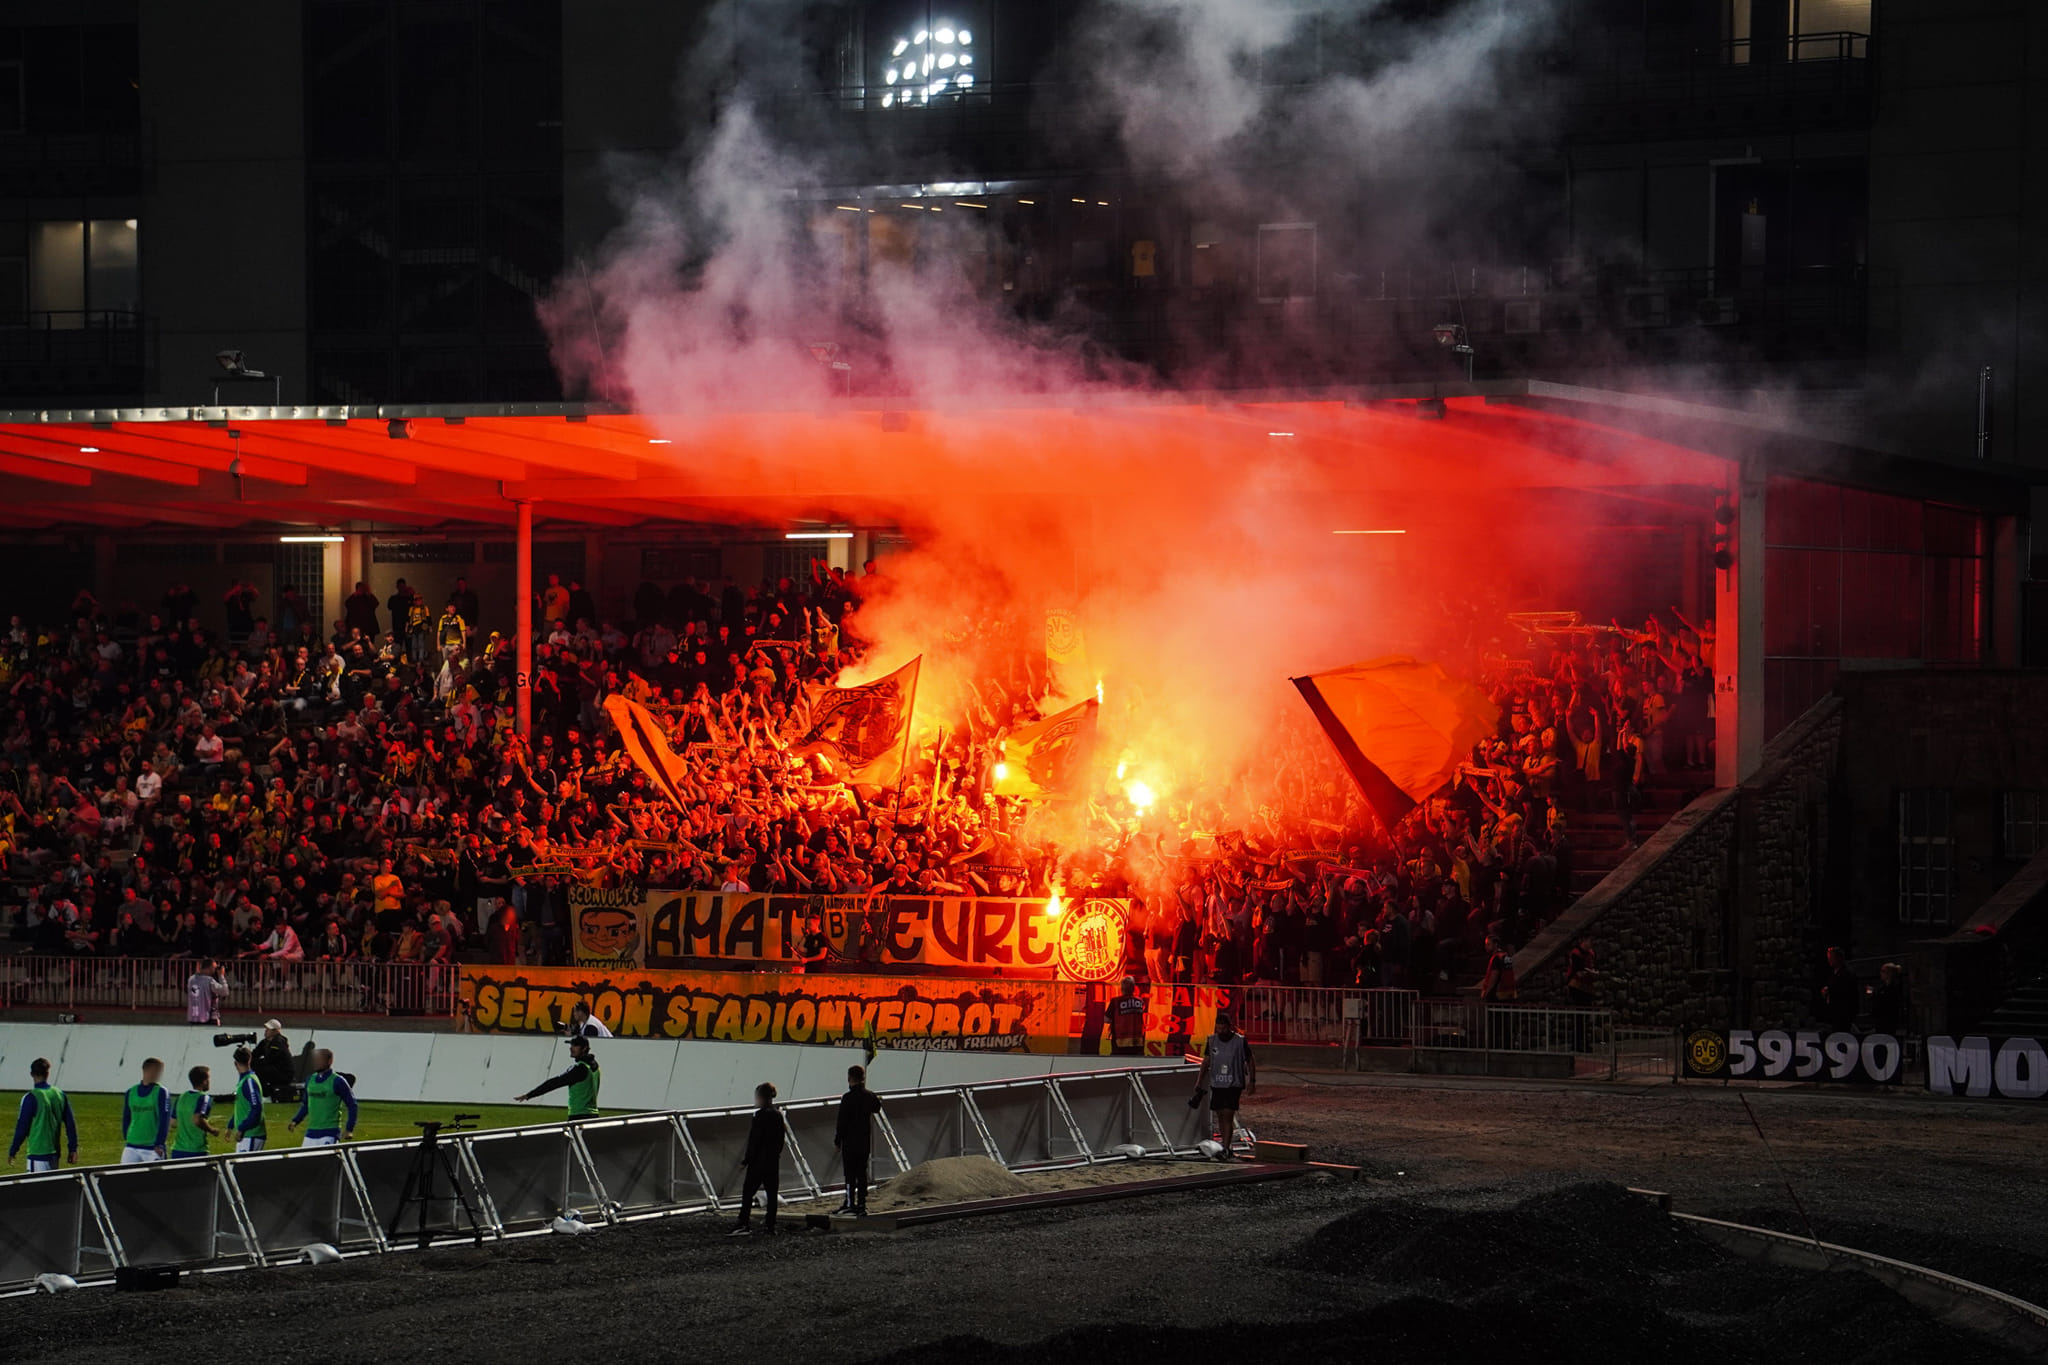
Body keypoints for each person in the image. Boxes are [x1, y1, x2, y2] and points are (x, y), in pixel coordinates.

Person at [1191, 1010, 1255, 1160]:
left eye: (1223, 1028)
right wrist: (1199, 1081)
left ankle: (1226, 1148)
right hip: (1217, 1083)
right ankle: (1227, 1147)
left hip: (1233, 1084)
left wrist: (1252, 1081)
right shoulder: (1212, 1040)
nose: (1221, 1032)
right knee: (1220, 1115)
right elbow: (1206, 1061)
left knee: (1227, 1115)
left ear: (1229, 1026)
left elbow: (1251, 1060)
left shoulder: (1239, 1041)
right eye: (1218, 1028)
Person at [7, 1058, 78, 1172]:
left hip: (38, 1153)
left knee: (37, 1188)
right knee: (50, 1186)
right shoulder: (59, 1094)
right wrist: (73, 1149)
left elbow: (22, 1127)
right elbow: (70, 1124)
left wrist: (13, 1150)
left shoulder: (31, 1098)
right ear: (47, 1073)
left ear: (31, 1074)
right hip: (55, 1153)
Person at [730, 1082, 783, 1236]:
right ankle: (770, 1225)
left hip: (758, 1162)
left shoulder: (759, 1116)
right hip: (773, 1161)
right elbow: (780, 1140)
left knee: (748, 1192)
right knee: (772, 1194)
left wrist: (746, 1160)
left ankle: (743, 1223)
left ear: (760, 1097)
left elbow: (755, 1141)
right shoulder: (778, 1115)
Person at [833, 1065, 883, 1216]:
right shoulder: (869, 1095)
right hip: (864, 1141)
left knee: (849, 1174)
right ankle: (862, 1203)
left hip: (850, 1141)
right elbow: (877, 1107)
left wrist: (838, 1140)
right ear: (863, 1078)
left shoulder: (847, 1098)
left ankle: (849, 1203)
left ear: (849, 1078)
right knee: (861, 1173)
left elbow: (841, 1121)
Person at [515, 1034, 602, 1119]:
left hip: (579, 1115)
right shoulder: (594, 1065)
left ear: (584, 1048)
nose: (571, 1048)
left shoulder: (580, 1068)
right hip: (593, 1115)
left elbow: (555, 1083)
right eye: (571, 1045)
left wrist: (530, 1095)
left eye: (575, 1045)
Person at [289, 1048, 358, 1146]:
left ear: (330, 1061)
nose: (316, 1062)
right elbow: (306, 1104)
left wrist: (349, 1129)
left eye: (319, 1059)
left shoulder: (337, 1081)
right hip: (311, 1133)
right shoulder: (310, 1080)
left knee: (326, 1161)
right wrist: (296, 1120)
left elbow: (352, 1105)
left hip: (329, 1133)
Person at [121, 1058, 174, 1164]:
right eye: (158, 1070)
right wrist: (127, 1136)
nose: (159, 1074)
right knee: (125, 1178)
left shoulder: (161, 1092)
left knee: (156, 1179)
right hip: (132, 1145)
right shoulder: (131, 1092)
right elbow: (126, 1116)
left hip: (152, 1147)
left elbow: (165, 1120)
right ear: (147, 1070)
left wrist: (159, 1143)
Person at [170, 1065, 219, 1159]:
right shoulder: (204, 1097)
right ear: (204, 1081)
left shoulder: (181, 1097)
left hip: (177, 1150)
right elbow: (197, 1119)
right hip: (196, 1150)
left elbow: (173, 1122)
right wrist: (212, 1130)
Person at [229, 1047, 267, 1151]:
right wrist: (230, 1125)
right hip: (247, 1135)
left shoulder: (249, 1082)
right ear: (250, 1059)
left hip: (251, 1134)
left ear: (235, 1063)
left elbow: (256, 1108)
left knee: (245, 1167)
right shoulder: (245, 1080)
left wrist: (242, 1128)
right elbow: (242, 1106)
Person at [251, 1019, 295, 1100]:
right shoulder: (265, 1042)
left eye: (269, 1029)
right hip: (275, 1070)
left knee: (261, 1069)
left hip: (284, 1073)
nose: (266, 1031)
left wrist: (255, 1063)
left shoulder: (278, 1043)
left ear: (275, 1031)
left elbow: (270, 1059)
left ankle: (266, 1095)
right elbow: (255, 1054)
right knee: (258, 1068)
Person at [1821, 947, 1862, 1030]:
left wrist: (1830, 990)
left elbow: (1844, 991)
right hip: (1837, 1012)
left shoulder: (1846, 973)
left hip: (1842, 1012)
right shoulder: (1836, 972)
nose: (1829, 960)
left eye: (1831, 958)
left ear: (1839, 958)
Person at [1107, 975, 1148, 1056]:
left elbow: (1106, 1019)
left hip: (1120, 1042)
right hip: (1137, 1042)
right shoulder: (1140, 1001)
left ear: (1122, 988)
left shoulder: (1115, 1001)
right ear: (1133, 988)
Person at [185, 960, 229, 1025]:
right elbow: (225, 992)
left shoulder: (191, 979)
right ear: (210, 968)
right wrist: (221, 976)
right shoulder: (209, 981)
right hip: (208, 1018)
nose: (215, 970)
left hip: (193, 1017)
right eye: (214, 968)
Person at [1871, 962, 1908, 1037]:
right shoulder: (1883, 987)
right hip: (1880, 1019)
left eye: (1883, 971)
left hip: (1888, 1020)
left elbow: (1889, 1002)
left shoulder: (1895, 987)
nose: (1881, 973)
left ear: (1889, 973)